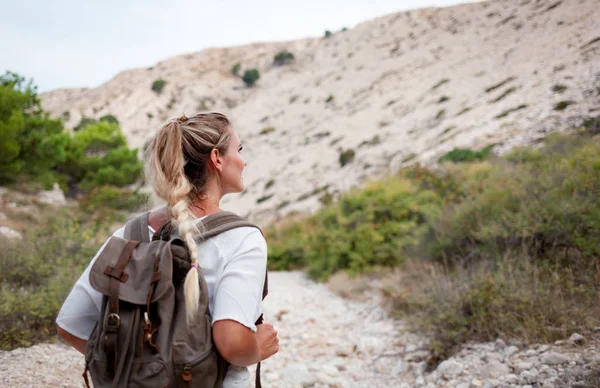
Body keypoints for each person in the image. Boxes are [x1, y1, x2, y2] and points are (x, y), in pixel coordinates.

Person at [56, 112, 279, 387]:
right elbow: (232, 341)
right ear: (217, 159)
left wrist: (132, 371)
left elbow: (70, 323)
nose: (243, 160)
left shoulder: (129, 235)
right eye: (239, 149)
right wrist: (257, 348)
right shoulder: (243, 238)